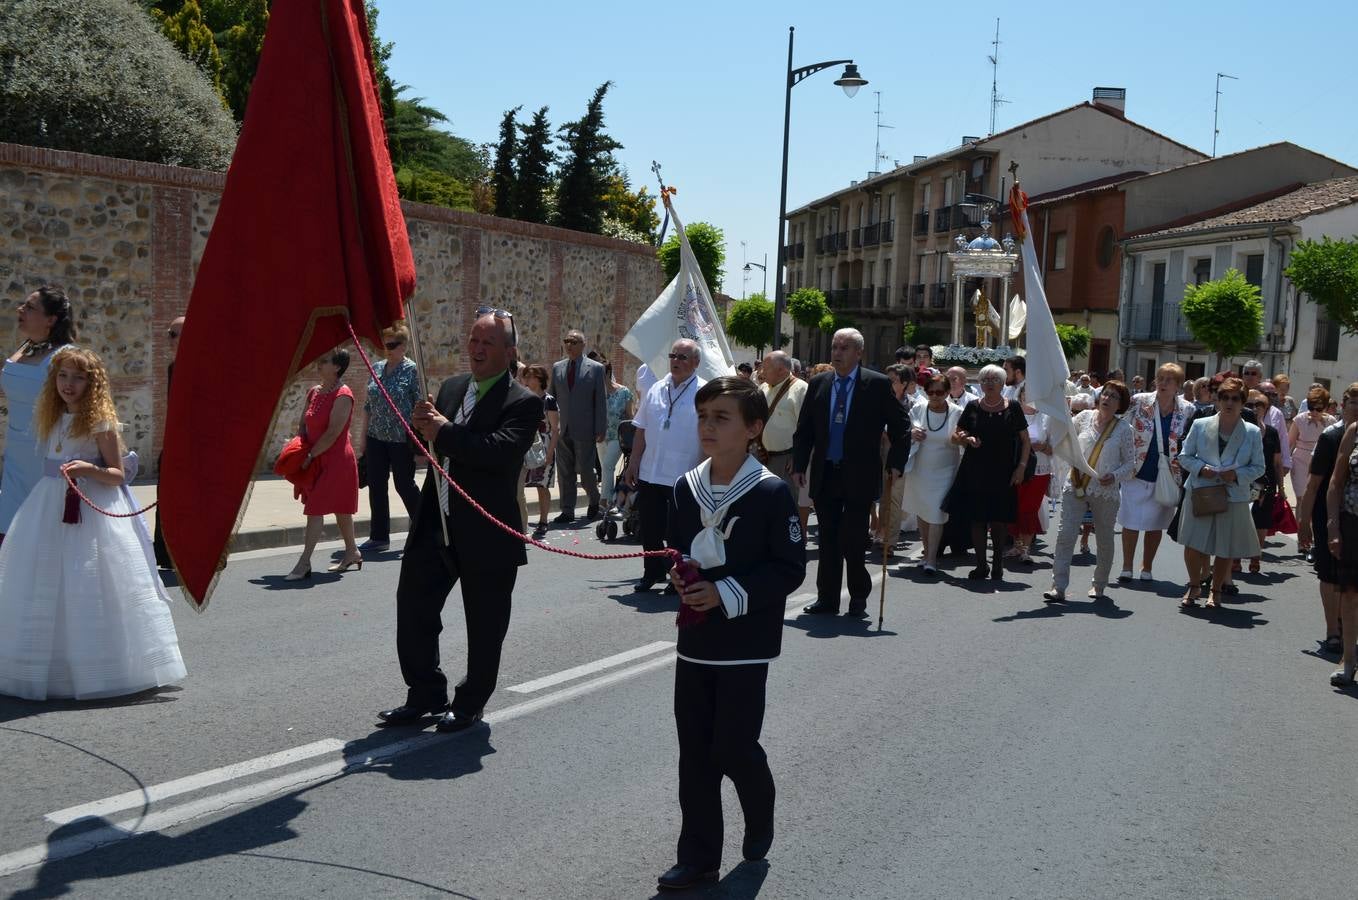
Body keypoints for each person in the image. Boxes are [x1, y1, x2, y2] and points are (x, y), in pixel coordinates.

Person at [655, 376, 806, 890]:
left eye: (721, 417)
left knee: (733, 748)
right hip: (696, 644)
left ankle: (759, 809)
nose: (707, 427)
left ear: (754, 429)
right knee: (694, 752)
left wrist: (725, 593)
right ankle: (698, 856)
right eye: (703, 417)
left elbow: (789, 569)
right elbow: (677, 550)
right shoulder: (685, 487)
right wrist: (680, 577)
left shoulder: (770, 492)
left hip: (745, 645)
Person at [378, 309, 542, 733]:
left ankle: (470, 702)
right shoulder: (451, 388)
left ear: (509, 352)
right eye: (473, 340)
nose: (477, 349)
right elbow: (436, 448)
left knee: (485, 625)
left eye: (488, 342)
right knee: (413, 607)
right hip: (437, 521)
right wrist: (422, 427)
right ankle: (425, 692)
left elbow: (497, 452)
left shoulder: (523, 402)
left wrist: (442, 431)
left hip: (487, 532)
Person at [0, 347, 185, 700]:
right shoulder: (51, 416)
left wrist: (87, 469)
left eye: (79, 377)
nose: (69, 384)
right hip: (48, 505)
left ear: (93, 383)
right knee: (45, 582)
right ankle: (45, 664)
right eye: (63, 376)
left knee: (89, 582)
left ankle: (102, 667)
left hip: (90, 507)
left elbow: (117, 474)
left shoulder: (100, 421)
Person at [793, 329, 908, 616]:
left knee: (853, 539)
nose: (837, 352)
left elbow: (901, 426)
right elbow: (805, 428)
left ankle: (858, 596)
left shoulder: (877, 384)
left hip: (860, 474)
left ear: (859, 353)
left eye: (844, 348)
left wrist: (895, 462)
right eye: (834, 347)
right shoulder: (818, 383)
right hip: (826, 472)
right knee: (829, 539)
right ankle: (827, 598)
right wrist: (798, 464)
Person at [1175, 377, 1265, 609]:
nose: (1229, 402)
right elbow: (1184, 457)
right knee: (1193, 544)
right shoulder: (1201, 424)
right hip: (1202, 491)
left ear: (1243, 402)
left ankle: (1216, 591)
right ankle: (1195, 585)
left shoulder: (1253, 432)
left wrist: (1235, 475)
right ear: (1217, 399)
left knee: (1226, 546)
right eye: (1224, 397)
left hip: (1233, 495)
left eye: (1235, 398)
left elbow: (1259, 467)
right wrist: (1201, 469)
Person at [624, 339, 706, 592]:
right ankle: (652, 572)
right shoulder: (657, 388)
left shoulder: (704, 393)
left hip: (685, 474)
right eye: (673, 356)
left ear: (696, 363)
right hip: (651, 471)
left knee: (678, 531)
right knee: (650, 527)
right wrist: (633, 463)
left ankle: (678, 576)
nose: (676, 361)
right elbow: (641, 430)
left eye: (683, 357)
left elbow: (708, 435)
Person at [1042, 382, 1135, 602]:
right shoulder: (1083, 417)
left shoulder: (1124, 429)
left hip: (1106, 490)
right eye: (1105, 394)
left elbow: (1130, 464)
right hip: (1076, 484)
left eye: (1113, 397)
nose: (1107, 399)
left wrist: (1113, 475)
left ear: (1120, 404)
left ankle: (1099, 584)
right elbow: (1062, 434)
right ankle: (1058, 586)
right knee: (1066, 535)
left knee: (1104, 538)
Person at [1, 286, 78, 546]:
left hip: (46, 458)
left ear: (51, 320)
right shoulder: (25, 349)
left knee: (41, 538)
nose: (20, 310)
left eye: (30, 307)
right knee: (7, 535)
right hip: (15, 459)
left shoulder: (64, 357)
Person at [943, 364, 1030, 582]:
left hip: (1004, 471)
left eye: (994, 380)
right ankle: (981, 566)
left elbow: (1025, 441)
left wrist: (1021, 467)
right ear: (979, 384)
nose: (989, 383)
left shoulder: (1014, 407)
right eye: (985, 380)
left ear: (1002, 383)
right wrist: (966, 438)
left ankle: (998, 563)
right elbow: (956, 435)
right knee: (977, 519)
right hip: (975, 470)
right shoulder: (972, 407)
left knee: (999, 520)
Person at [284, 349, 362, 579]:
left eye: (324, 360)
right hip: (316, 457)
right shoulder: (314, 392)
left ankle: (304, 563)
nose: (319, 363)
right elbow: (303, 425)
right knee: (341, 510)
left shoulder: (343, 395)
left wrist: (310, 456)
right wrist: (299, 448)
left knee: (315, 508)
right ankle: (352, 552)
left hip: (337, 461)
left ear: (337, 367)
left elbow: (332, 433)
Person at [1118, 363, 1194, 582]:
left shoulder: (1187, 409)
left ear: (1178, 385)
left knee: (1155, 524)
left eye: (1169, 379)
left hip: (1169, 475)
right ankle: (1126, 566)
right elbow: (1122, 427)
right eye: (1160, 378)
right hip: (1136, 470)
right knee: (1130, 520)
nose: (1163, 383)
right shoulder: (1139, 402)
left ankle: (1147, 567)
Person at [1298, 385, 1358, 658]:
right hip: (1326, 512)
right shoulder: (1332, 437)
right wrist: (1303, 522)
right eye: (1353, 402)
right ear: (1342, 404)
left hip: (1352, 517)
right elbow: (1313, 484)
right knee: (1329, 573)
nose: (1357, 407)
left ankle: (1347, 627)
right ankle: (1332, 630)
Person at [357, 324, 423, 552]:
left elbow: (421, 404)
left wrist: (421, 439)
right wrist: (363, 438)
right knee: (376, 485)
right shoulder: (376, 367)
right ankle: (379, 536)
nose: (387, 348)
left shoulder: (412, 370)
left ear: (404, 346)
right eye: (385, 344)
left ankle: (423, 528)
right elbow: (368, 405)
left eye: (392, 344)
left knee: (404, 485)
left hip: (401, 438)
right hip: (376, 437)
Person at [901, 374, 963, 574]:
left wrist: (961, 438)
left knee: (936, 513)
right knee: (922, 510)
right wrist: (912, 433)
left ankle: (932, 559)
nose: (934, 396)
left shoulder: (957, 412)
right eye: (930, 392)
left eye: (939, 392)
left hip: (945, 470)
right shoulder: (918, 408)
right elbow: (906, 429)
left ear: (947, 393)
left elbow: (960, 437)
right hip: (920, 468)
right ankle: (927, 552)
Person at [550, 330, 606, 523]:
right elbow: (551, 399)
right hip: (562, 428)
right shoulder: (557, 367)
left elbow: (600, 401)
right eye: (566, 341)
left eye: (573, 342)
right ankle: (567, 510)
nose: (569, 345)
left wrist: (601, 428)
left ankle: (594, 501)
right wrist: (551, 425)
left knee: (585, 470)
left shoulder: (596, 369)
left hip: (585, 429)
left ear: (583, 345)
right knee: (565, 471)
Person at [755, 351, 807, 531]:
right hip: (762, 457)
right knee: (762, 506)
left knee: (785, 508)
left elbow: (806, 427)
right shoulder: (763, 388)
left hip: (787, 461)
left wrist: (798, 456)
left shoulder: (801, 389)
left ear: (782, 370)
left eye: (766, 368)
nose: (761, 372)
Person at [1324, 415, 1358, 685]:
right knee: (1350, 595)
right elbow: (1336, 482)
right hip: (1352, 524)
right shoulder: (1354, 431)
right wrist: (1333, 527)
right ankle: (1348, 660)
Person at [153, 314, 185, 567]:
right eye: (169, 334)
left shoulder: (206, 370)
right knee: (165, 502)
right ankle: (164, 554)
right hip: (174, 445)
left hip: (195, 451)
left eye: (174, 335)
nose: (170, 340)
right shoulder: (173, 368)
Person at [1008, 384, 1052, 565]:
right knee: (1014, 506)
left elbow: (1054, 448)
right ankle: (1016, 544)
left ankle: (1025, 549)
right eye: (1027, 393)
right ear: (1021, 395)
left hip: (1039, 469)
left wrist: (1040, 446)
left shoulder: (1047, 417)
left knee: (1030, 508)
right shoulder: (1012, 415)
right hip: (1016, 468)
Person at [517, 364, 559, 539]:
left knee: (542, 486)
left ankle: (543, 521)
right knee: (522, 487)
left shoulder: (548, 400)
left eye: (531, 376)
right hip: (528, 446)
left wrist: (550, 452)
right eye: (526, 376)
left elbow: (556, 429)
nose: (527, 380)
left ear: (540, 379)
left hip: (544, 445)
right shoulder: (524, 397)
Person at [876, 364, 914, 554]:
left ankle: (890, 541)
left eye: (893, 380)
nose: (889, 383)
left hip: (902, 456)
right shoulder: (881, 400)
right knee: (883, 496)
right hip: (881, 452)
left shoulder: (913, 404)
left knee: (894, 498)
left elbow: (913, 431)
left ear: (904, 383)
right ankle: (880, 532)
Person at [1247, 390, 1285, 573]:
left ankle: (1256, 556)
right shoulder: (1241, 429)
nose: (1255, 409)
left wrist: (1282, 488)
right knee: (1242, 519)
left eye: (1259, 405)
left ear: (1266, 409)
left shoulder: (1272, 433)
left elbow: (1277, 462)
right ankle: (1236, 558)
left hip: (1267, 482)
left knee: (1261, 521)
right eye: (1251, 405)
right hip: (1244, 482)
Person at [1289, 386, 1335, 521]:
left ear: (1326, 407)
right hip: (1300, 461)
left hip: (1321, 462)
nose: (1314, 411)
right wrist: (1285, 464)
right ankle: (1300, 534)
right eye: (1311, 407)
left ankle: (1312, 532)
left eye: (1319, 408)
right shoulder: (1299, 420)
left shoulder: (1331, 421)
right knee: (1301, 498)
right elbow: (1289, 443)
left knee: (1316, 498)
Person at [1241, 361, 1291, 475]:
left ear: (1260, 377)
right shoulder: (1236, 399)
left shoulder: (1276, 412)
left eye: (1253, 373)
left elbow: (1282, 437)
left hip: (1267, 460)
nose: (1249, 376)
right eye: (1246, 373)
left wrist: (1286, 462)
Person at [598, 361, 634, 511]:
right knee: (606, 469)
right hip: (600, 436)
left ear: (607, 373)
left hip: (617, 437)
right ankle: (612, 499)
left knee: (607, 465)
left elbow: (629, 416)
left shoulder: (624, 392)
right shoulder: (596, 394)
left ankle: (604, 500)